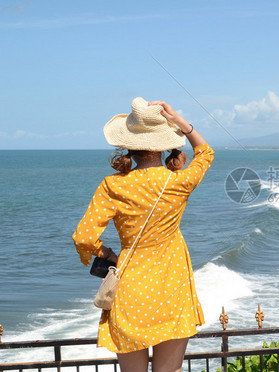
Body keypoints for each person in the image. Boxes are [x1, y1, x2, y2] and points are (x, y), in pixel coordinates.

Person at [72, 97, 214, 372]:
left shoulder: (113, 185)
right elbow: (205, 153)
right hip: (172, 286)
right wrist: (180, 121)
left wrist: (108, 254)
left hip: (130, 287)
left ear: (130, 146)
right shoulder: (179, 181)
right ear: (164, 145)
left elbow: (84, 237)